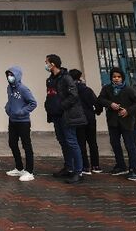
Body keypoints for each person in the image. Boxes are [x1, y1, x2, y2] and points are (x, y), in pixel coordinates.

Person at [96, 67, 136, 181]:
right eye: (114, 77)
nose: (116, 79)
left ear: (122, 78)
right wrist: (110, 104)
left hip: (127, 122)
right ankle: (120, 165)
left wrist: (128, 111)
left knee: (130, 145)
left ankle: (134, 169)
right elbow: (100, 99)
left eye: (119, 77)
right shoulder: (107, 88)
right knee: (115, 144)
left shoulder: (129, 89)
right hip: (113, 122)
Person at [44, 54, 86, 184]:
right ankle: (68, 167)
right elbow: (50, 95)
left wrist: (61, 106)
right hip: (56, 115)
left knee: (71, 141)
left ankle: (78, 171)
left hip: (67, 115)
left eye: (46, 62)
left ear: (53, 64)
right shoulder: (50, 79)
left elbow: (74, 95)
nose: (45, 64)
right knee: (62, 141)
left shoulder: (66, 78)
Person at [3, 66, 37, 182]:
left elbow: (33, 103)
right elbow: (10, 101)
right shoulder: (9, 88)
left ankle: (29, 171)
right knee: (12, 143)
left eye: (12, 75)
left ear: (17, 76)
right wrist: (7, 108)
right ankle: (19, 168)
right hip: (12, 120)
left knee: (26, 145)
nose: (9, 77)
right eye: (8, 75)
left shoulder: (23, 89)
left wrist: (21, 112)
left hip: (23, 122)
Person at [69, 69, 101, 174]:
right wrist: (97, 111)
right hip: (90, 118)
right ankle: (96, 165)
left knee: (80, 143)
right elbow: (97, 103)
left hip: (78, 119)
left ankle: (85, 166)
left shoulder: (70, 90)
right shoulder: (87, 90)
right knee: (92, 142)